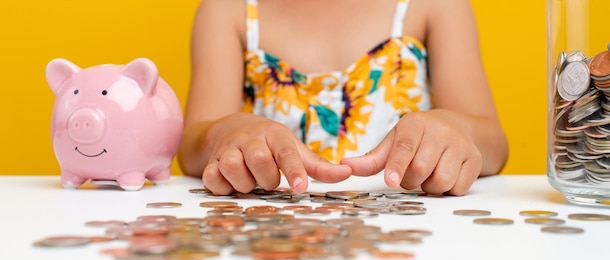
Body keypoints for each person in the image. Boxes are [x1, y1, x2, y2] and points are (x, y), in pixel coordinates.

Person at [178, 0, 509, 196]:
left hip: (405, 247)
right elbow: (190, 151)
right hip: (275, 246)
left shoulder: (437, 5)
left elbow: (494, 144)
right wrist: (223, 133)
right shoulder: (227, 9)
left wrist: (455, 130)